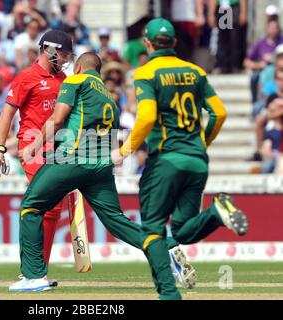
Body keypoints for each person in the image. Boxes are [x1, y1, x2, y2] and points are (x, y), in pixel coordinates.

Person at [112, 18, 249, 300]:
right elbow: (219, 112)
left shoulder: (146, 73)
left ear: (147, 44)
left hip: (166, 160)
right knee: (184, 231)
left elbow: (147, 116)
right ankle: (215, 213)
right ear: (174, 43)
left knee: (152, 231)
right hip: (197, 160)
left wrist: (124, 151)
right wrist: (201, 143)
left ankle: (169, 295)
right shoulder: (195, 71)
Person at [9, 52, 150, 292]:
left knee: (31, 207)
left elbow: (57, 118)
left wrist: (33, 147)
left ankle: (34, 276)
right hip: (101, 166)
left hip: (71, 158)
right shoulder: (111, 100)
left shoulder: (75, 80)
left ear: (78, 68)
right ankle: (164, 247)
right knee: (116, 221)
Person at [0, 30, 74, 287]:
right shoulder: (26, 77)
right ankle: (32, 273)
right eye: (63, 53)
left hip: (57, 148)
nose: (66, 59)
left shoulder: (64, 78)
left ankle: (38, 272)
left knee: (52, 209)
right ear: (50, 50)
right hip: (32, 147)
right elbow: (7, 113)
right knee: (40, 204)